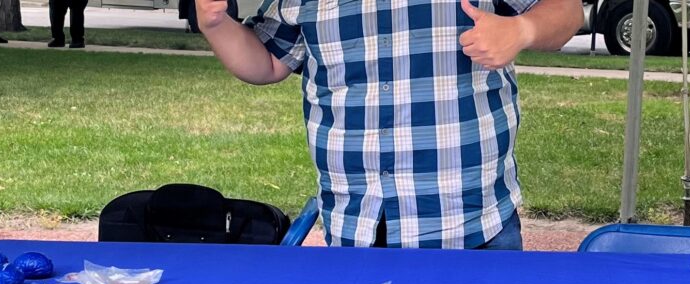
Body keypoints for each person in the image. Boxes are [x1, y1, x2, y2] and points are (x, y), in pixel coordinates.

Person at [196, 0, 581, 250]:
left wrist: (521, 30)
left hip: (471, 224)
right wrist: (216, 24)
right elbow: (267, 61)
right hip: (357, 225)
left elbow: (567, 12)